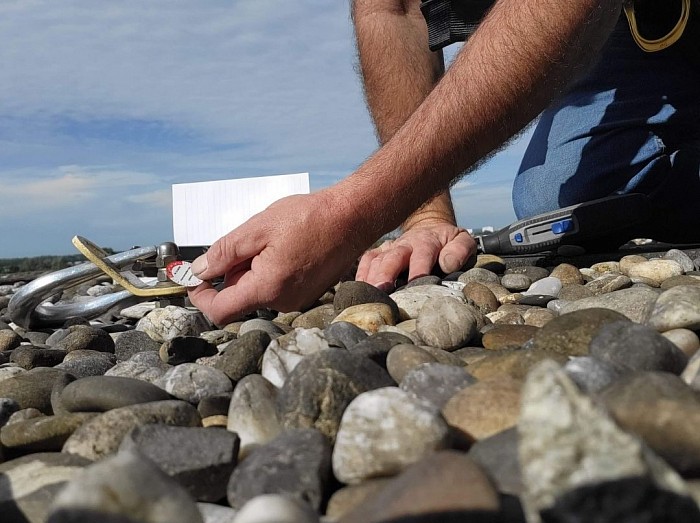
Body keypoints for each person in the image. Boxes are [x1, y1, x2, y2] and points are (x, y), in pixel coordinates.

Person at [188, 0, 700, 326]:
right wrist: (425, 216)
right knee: (562, 199)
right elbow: (393, 10)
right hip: (638, 23)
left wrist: (351, 212)